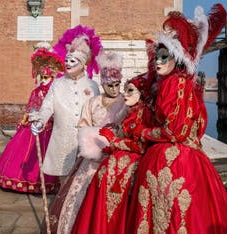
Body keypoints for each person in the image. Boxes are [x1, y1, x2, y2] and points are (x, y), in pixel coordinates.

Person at [127, 4, 227, 233]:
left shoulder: (175, 83)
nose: (158, 62)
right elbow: (198, 127)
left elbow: (175, 132)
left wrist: (142, 132)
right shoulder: (185, 84)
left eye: (165, 57)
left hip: (173, 161)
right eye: (157, 58)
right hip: (194, 158)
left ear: (178, 59)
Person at [44, 50, 127, 233]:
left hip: (117, 154)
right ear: (103, 84)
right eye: (109, 85)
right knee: (81, 192)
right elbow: (84, 124)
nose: (114, 89)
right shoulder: (93, 102)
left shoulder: (125, 101)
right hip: (93, 155)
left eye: (116, 85)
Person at [71, 72, 155, 234]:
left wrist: (114, 142)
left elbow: (141, 145)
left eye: (129, 90)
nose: (123, 92)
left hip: (126, 164)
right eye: (125, 89)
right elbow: (84, 124)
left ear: (141, 93)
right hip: (105, 155)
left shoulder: (141, 114)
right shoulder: (129, 111)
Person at [30, 25, 102, 182]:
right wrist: (41, 121)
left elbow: (97, 113)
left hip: (85, 143)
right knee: (63, 184)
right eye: (67, 61)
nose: (68, 64)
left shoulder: (92, 86)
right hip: (62, 140)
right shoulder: (57, 84)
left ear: (83, 64)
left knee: (83, 183)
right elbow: (47, 106)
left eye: (73, 61)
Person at [0, 47, 65, 193]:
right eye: (42, 78)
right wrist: (26, 119)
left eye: (47, 77)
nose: (44, 81)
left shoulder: (57, 90)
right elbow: (31, 107)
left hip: (51, 128)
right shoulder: (36, 91)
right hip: (34, 125)